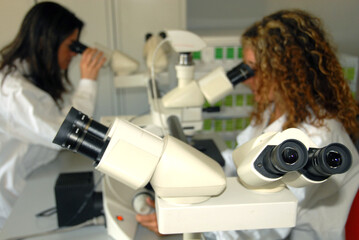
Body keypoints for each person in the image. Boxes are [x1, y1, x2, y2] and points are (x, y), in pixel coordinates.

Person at [137, 9, 359, 240]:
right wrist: (195, 168)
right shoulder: (274, 110)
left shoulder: (318, 137)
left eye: (254, 68)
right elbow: (242, 161)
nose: (247, 79)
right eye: (245, 68)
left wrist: (184, 220)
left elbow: (265, 227)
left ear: (287, 71)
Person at [0, 2, 106, 228]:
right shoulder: (15, 92)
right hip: (10, 203)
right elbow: (65, 134)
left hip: (29, 181)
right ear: (45, 41)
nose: (73, 55)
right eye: (71, 46)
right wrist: (88, 82)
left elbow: (57, 119)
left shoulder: (28, 80)